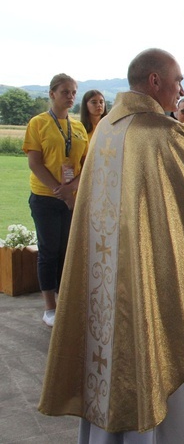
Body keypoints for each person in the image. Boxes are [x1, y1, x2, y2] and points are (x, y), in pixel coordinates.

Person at [38, 48, 184, 441]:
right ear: (154, 81)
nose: (181, 91)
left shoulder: (108, 125)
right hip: (146, 283)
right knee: (151, 350)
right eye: (177, 82)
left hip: (105, 277)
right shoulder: (158, 133)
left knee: (104, 361)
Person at [22, 73, 88, 327]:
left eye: (73, 92)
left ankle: (66, 301)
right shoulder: (38, 123)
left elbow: (85, 164)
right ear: (52, 94)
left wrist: (71, 188)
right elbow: (34, 161)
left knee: (66, 249)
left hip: (71, 197)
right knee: (48, 250)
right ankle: (50, 306)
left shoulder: (79, 127)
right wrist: (57, 188)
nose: (70, 96)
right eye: (65, 92)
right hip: (45, 196)